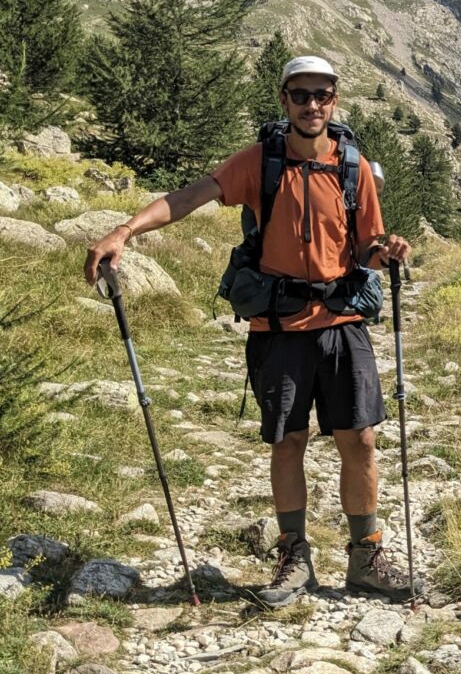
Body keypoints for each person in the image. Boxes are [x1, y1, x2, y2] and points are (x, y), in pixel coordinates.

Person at [84, 55, 417, 608]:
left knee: (358, 439)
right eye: (300, 94)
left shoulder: (353, 167)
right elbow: (188, 197)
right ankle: (294, 556)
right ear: (283, 100)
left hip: (341, 322)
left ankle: (365, 556)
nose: (312, 105)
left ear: (335, 99)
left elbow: (365, 248)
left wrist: (385, 252)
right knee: (288, 442)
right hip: (278, 324)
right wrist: (125, 230)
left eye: (322, 94)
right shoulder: (259, 161)